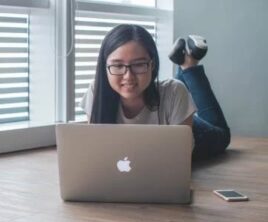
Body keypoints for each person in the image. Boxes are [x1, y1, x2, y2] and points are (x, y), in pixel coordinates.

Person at [80, 24, 230, 159]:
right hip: (171, 110)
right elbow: (97, 150)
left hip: (189, 129)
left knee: (223, 135)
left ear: (152, 64)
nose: (128, 76)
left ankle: (189, 66)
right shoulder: (96, 91)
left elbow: (179, 159)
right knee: (175, 90)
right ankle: (183, 62)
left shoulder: (175, 92)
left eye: (138, 64)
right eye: (118, 66)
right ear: (104, 67)